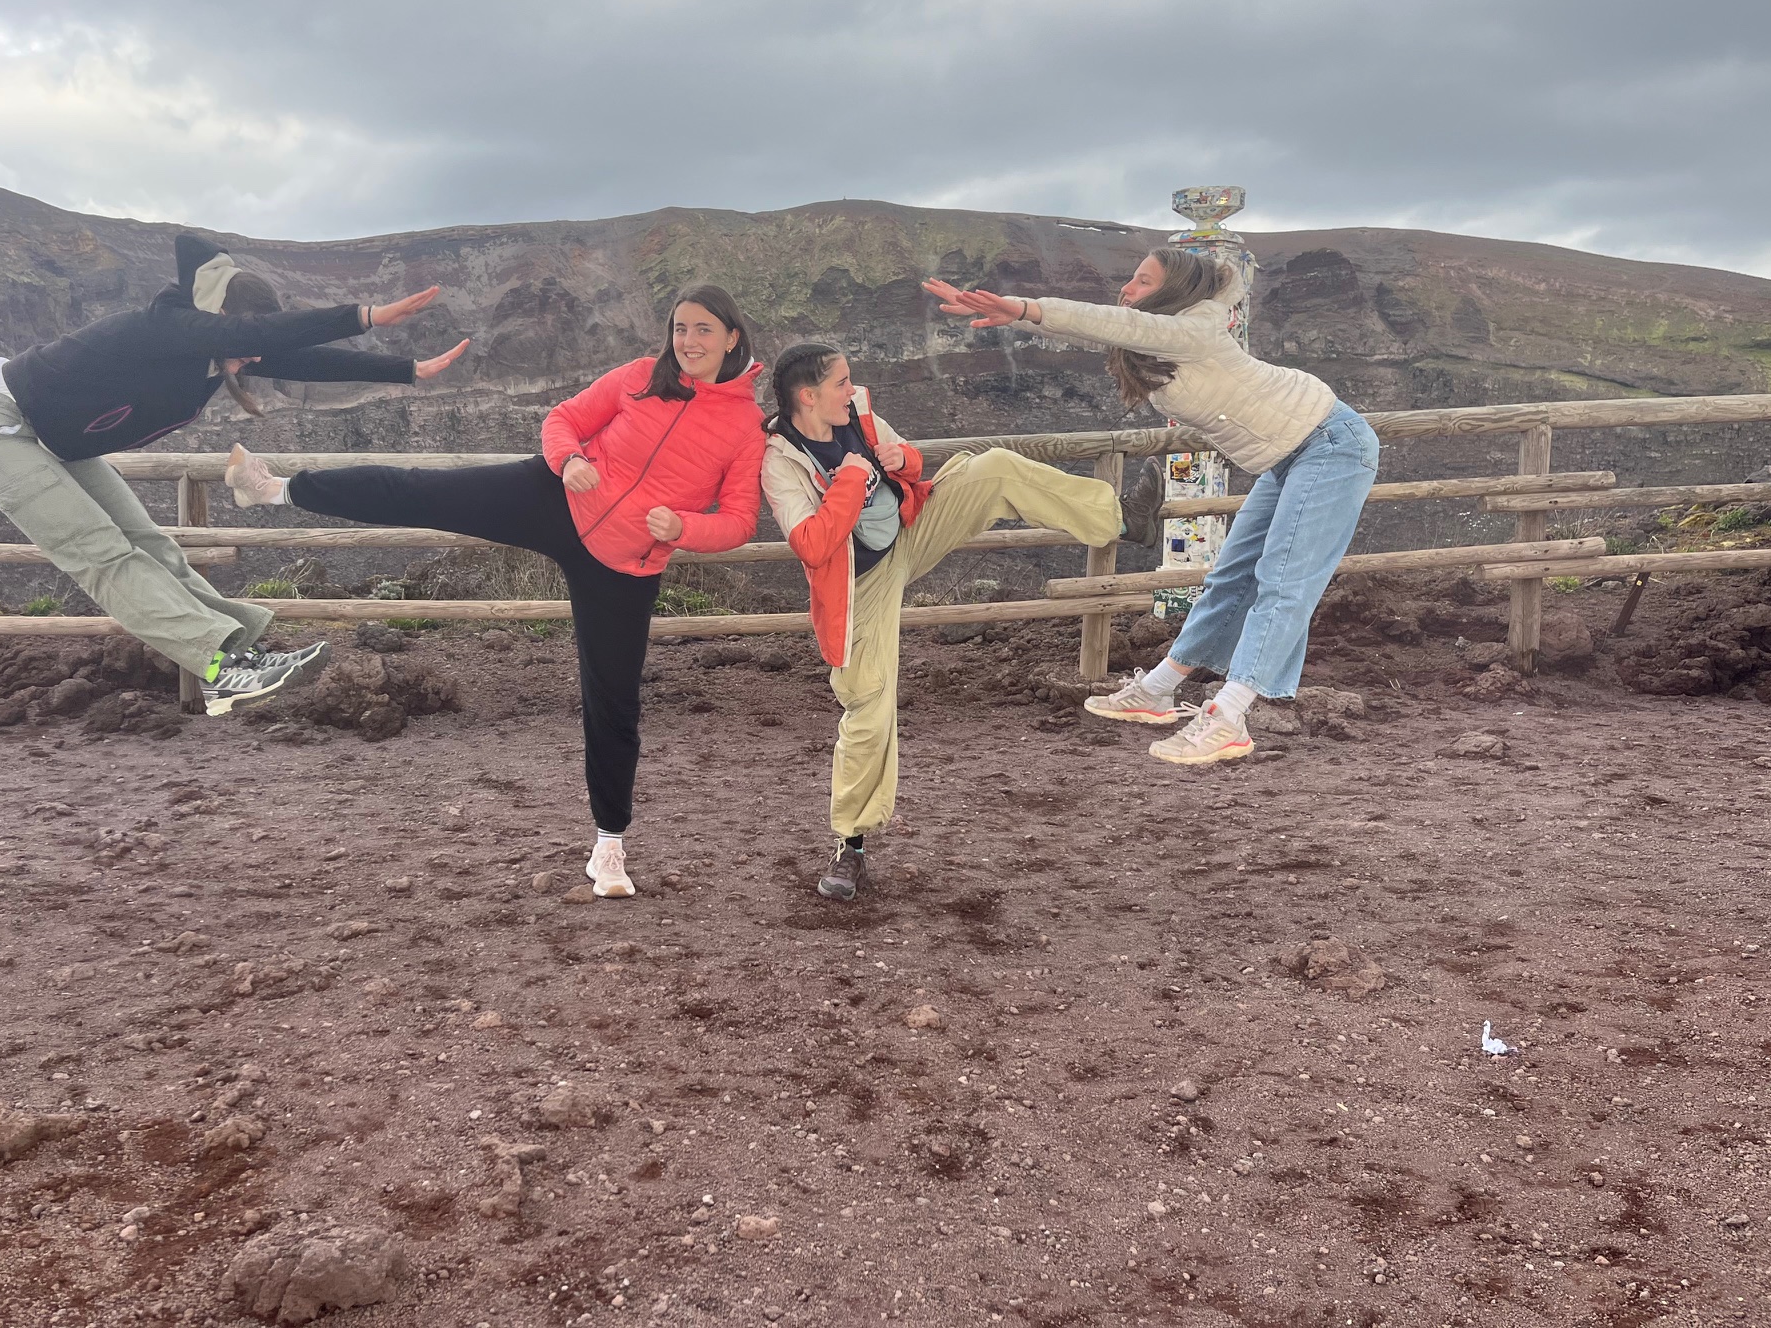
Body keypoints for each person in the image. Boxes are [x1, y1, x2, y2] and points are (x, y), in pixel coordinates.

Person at [225, 285, 766, 899]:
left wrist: (684, 528)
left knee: (613, 703)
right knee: (422, 492)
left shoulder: (745, 426)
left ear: (732, 337)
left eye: (702, 329)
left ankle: (609, 846)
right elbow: (562, 420)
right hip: (556, 498)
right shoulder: (641, 376)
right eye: (680, 328)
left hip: (625, 562)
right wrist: (569, 461)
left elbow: (739, 521)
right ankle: (274, 489)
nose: (688, 341)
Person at [0, 231, 463, 716]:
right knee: (102, 554)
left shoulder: (208, 352)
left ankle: (240, 653)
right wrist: (364, 316)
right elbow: (252, 335)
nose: (254, 356)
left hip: (56, 442)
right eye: (244, 339)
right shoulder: (161, 328)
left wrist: (406, 370)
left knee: (151, 545)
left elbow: (300, 360)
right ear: (215, 319)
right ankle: (216, 668)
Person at [924, 245, 1380, 766]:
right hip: (1285, 457)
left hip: (1330, 444)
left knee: (1283, 582)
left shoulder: (1193, 331)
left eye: (1144, 281)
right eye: (1132, 278)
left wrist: (1025, 307)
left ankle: (1229, 716)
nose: (1127, 289)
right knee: (1230, 578)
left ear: (1173, 291)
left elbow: (1109, 322)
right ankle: (1157, 691)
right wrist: (1018, 316)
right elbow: (1114, 325)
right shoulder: (1167, 333)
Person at [761, 342, 1158, 901]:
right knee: (867, 702)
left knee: (994, 468)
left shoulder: (857, 413)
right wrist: (850, 478)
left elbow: (910, 459)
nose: (852, 390)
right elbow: (811, 544)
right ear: (808, 396)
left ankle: (1122, 519)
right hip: (858, 583)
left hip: (911, 530)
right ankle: (852, 846)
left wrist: (901, 460)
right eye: (841, 383)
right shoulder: (781, 461)